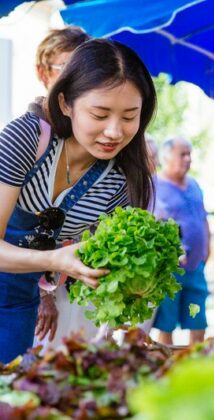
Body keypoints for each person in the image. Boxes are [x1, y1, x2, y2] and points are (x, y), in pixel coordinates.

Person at [0, 38, 156, 363]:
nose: (114, 131)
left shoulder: (117, 181)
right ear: (66, 103)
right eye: (100, 114)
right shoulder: (28, 139)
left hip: (18, 301)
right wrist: (56, 260)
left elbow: (96, 258)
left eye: (129, 117)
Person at [29, 26, 91, 347]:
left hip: (77, 288)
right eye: (66, 69)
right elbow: (18, 231)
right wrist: (44, 295)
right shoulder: (31, 138)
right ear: (43, 73)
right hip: (38, 297)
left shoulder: (87, 136)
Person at [153, 137, 210, 345]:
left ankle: (198, 365)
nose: (188, 159)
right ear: (166, 157)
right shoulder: (155, 184)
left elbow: (203, 218)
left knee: (198, 320)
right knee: (166, 324)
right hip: (169, 270)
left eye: (189, 154)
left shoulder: (194, 184)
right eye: (182, 154)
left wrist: (207, 249)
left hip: (196, 267)